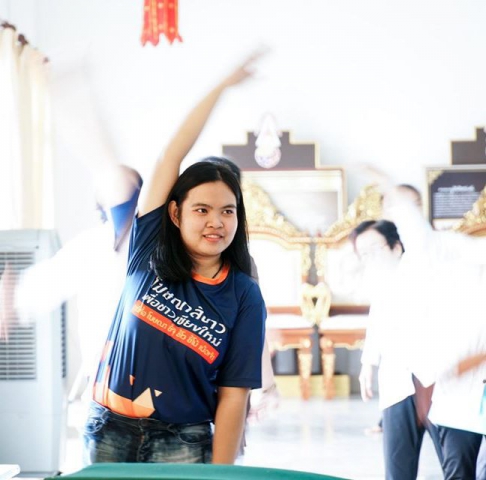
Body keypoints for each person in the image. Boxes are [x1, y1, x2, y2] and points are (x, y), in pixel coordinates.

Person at [83, 54, 267, 465]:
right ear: (175, 213)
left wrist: (221, 474)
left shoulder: (243, 294)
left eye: (228, 211)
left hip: (183, 442)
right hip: (108, 429)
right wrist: (221, 87)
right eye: (202, 210)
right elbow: (170, 155)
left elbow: (234, 394)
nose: (216, 222)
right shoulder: (147, 250)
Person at [351, 219, 443, 480]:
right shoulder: (378, 281)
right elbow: (376, 322)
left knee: (456, 465)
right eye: (363, 253)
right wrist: (368, 363)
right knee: (397, 468)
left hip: (436, 380)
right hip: (397, 384)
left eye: (374, 249)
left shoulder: (428, 273)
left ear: (396, 246)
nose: (369, 258)